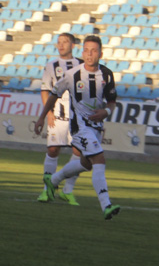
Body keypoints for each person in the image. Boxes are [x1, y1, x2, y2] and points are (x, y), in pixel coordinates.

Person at [32, 35, 121, 220]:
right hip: (79, 127)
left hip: (96, 126)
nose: (89, 54)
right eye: (86, 50)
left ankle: (54, 180)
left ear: (101, 53)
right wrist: (42, 117)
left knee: (86, 164)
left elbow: (112, 101)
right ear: (82, 53)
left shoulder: (107, 74)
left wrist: (106, 112)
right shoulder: (72, 75)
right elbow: (54, 95)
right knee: (99, 160)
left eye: (94, 50)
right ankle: (106, 205)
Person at [35, 33, 84, 204]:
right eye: (59, 42)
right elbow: (45, 89)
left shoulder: (82, 65)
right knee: (53, 150)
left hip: (77, 117)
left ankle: (67, 190)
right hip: (57, 115)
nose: (61, 45)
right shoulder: (51, 65)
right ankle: (46, 190)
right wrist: (48, 113)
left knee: (79, 153)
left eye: (65, 42)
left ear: (73, 45)